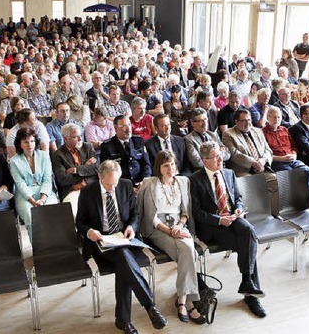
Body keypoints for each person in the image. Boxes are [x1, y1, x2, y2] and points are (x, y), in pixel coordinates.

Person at [75, 160, 167, 334]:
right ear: (99, 177)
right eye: (108, 185)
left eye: (115, 184)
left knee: (123, 262)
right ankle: (150, 307)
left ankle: (123, 321)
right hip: (100, 242)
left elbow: (134, 213)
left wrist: (131, 226)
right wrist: (90, 232)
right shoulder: (88, 192)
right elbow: (80, 221)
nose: (112, 188)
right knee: (124, 259)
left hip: (122, 238)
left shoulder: (124, 185)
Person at [190, 141, 267, 318]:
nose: (220, 159)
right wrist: (219, 220)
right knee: (248, 244)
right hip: (212, 225)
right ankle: (250, 294)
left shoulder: (229, 173)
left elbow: (238, 198)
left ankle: (247, 282)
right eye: (216, 157)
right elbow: (197, 212)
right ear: (204, 160)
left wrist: (238, 209)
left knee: (249, 233)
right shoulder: (195, 179)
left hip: (233, 216)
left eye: (220, 155)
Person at [138, 151, 206, 325]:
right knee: (189, 251)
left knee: (187, 250)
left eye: (172, 165)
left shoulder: (183, 181)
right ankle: (188, 302)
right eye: (165, 165)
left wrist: (180, 226)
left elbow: (185, 212)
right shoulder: (150, 184)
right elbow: (149, 216)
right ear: (159, 168)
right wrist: (169, 230)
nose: (170, 169)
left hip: (179, 225)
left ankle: (183, 300)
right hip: (158, 228)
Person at [262, 106, 309, 207]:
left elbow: (293, 146)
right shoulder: (262, 133)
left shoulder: (284, 130)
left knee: (308, 172)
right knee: (295, 176)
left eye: (278, 117)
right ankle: (299, 206)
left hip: (291, 159)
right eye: (274, 117)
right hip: (277, 162)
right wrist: (281, 158)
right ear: (268, 118)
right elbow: (264, 155)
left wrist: (294, 154)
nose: (277, 120)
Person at [9, 127, 58, 238]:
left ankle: (55, 245)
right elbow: (20, 184)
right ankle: (39, 249)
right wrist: (32, 201)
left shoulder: (44, 156)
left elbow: (47, 179)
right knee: (31, 218)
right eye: (25, 142)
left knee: (52, 213)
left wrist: (42, 199)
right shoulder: (14, 161)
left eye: (32, 141)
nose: (29, 144)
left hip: (45, 191)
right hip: (24, 194)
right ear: (20, 144)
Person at [51, 123, 99, 216]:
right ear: (66, 138)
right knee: (74, 212)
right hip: (73, 189)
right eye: (75, 137)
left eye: (80, 135)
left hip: (91, 186)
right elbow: (63, 179)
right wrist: (86, 168)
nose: (80, 139)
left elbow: (96, 169)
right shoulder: (58, 154)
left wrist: (75, 170)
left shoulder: (88, 147)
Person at [100, 115, 151, 187]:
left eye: (129, 125)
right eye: (124, 126)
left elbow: (147, 164)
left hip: (141, 184)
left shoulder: (138, 141)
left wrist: (144, 181)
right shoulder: (107, 146)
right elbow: (107, 172)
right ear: (115, 128)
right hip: (121, 186)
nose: (128, 129)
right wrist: (127, 187)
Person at [221, 109, 274, 176]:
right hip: (244, 170)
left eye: (249, 120)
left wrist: (263, 160)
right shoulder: (228, 134)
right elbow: (234, 154)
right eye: (244, 121)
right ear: (236, 121)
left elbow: (268, 150)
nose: (247, 123)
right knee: (251, 183)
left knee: (275, 180)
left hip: (262, 167)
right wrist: (253, 163)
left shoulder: (258, 131)